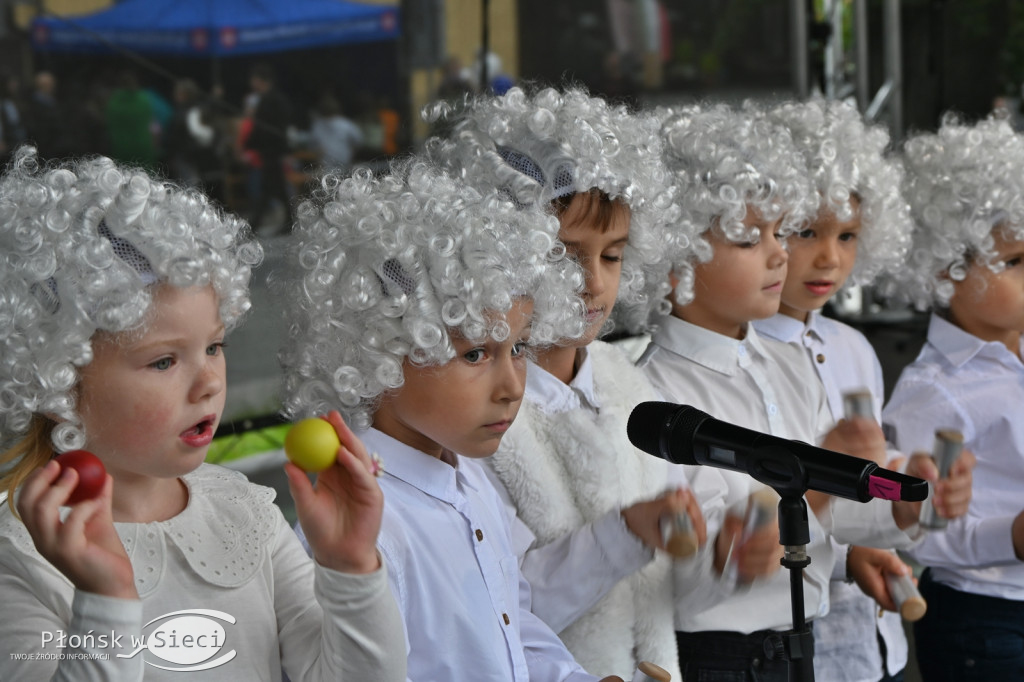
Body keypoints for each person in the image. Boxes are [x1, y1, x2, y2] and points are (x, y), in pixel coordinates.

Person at [0, 147, 406, 681]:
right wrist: (105, 600)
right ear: (58, 382)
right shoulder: (21, 558)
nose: (210, 382)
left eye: (214, 347)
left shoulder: (247, 513)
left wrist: (351, 567)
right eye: (164, 360)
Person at [636, 102, 972, 682]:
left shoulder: (789, 365)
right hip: (717, 660)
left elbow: (840, 515)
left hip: (801, 646)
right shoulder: (651, 395)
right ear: (673, 258)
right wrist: (806, 491)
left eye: (778, 230)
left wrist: (911, 495)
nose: (779, 253)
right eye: (750, 239)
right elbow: (692, 573)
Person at [281, 158, 627, 682]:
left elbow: (511, 623)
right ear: (383, 348)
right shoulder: (356, 529)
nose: (513, 386)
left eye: (519, 348)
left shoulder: (469, 480)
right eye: (474, 355)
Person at [426, 86, 728, 680]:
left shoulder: (631, 388)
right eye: (565, 256)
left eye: (612, 256)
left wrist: (719, 555)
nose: (592, 282)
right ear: (501, 253)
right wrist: (622, 536)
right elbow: (498, 607)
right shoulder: (475, 418)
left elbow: (664, 592)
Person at [756, 97, 941, 682]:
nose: (830, 257)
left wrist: (913, 495)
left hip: (877, 632)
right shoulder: (746, 354)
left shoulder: (854, 348)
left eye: (849, 235)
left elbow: (872, 478)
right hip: (787, 631)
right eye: (806, 231)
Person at [879, 114, 1024, 681]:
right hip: (984, 621)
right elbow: (921, 530)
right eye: (1013, 261)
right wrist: (1010, 536)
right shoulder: (934, 393)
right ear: (943, 268)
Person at [244, 62, 293, 235]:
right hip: (271, 150)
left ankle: (254, 225)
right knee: (275, 187)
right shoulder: (273, 99)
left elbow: (266, 127)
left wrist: (249, 143)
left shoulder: (270, 100)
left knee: (268, 188)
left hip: (271, 150)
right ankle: (289, 221)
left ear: (260, 80)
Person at [309, 93, 364, 175]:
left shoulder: (317, 125)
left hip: (329, 166)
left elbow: (312, 147)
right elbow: (359, 141)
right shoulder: (345, 124)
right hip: (339, 164)